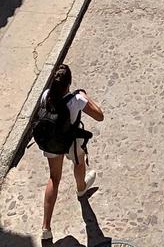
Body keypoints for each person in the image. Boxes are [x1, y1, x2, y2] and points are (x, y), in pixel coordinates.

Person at [37, 63, 104, 243]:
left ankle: (46, 228)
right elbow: (100, 115)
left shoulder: (45, 95)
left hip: (52, 143)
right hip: (71, 142)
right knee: (79, 162)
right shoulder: (77, 100)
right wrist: (85, 97)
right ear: (69, 83)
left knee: (54, 178)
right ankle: (81, 189)